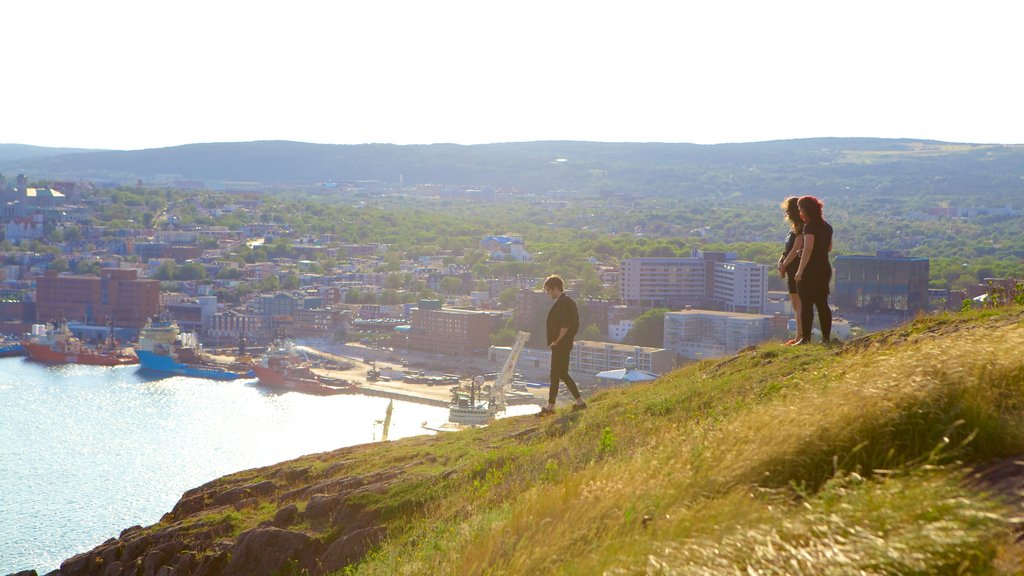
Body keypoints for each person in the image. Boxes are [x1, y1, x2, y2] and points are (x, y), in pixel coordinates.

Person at [539, 275, 586, 415]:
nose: (548, 293)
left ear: (554, 288)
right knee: (558, 374)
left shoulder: (563, 302)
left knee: (558, 373)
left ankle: (552, 407)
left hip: (561, 344)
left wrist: (556, 341)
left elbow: (565, 325)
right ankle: (575, 403)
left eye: (548, 290)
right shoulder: (566, 301)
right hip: (563, 344)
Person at [793, 195, 834, 345]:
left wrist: (800, 271)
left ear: (805, 210)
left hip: (810, 270)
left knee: (807, 304)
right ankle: (826, 338)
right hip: (824, 267)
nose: (799, 213)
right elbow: (829, 248)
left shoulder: (809, 227)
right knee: (822, 303)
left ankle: (806, 338)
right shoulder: (827, 226)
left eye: (800, 209)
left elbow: (809, 248)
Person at [777, 197, 804, 345]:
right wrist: (780, 261)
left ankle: (800, 336)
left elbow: (796, 249)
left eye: (788, 210)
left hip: (796, 269)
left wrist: (785, 264)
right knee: (796, 305)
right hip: (790, 269)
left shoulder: (801, 227)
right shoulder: (793, 228)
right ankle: (798, 336)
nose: (786, 212)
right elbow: (787, 249)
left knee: (798, 305)